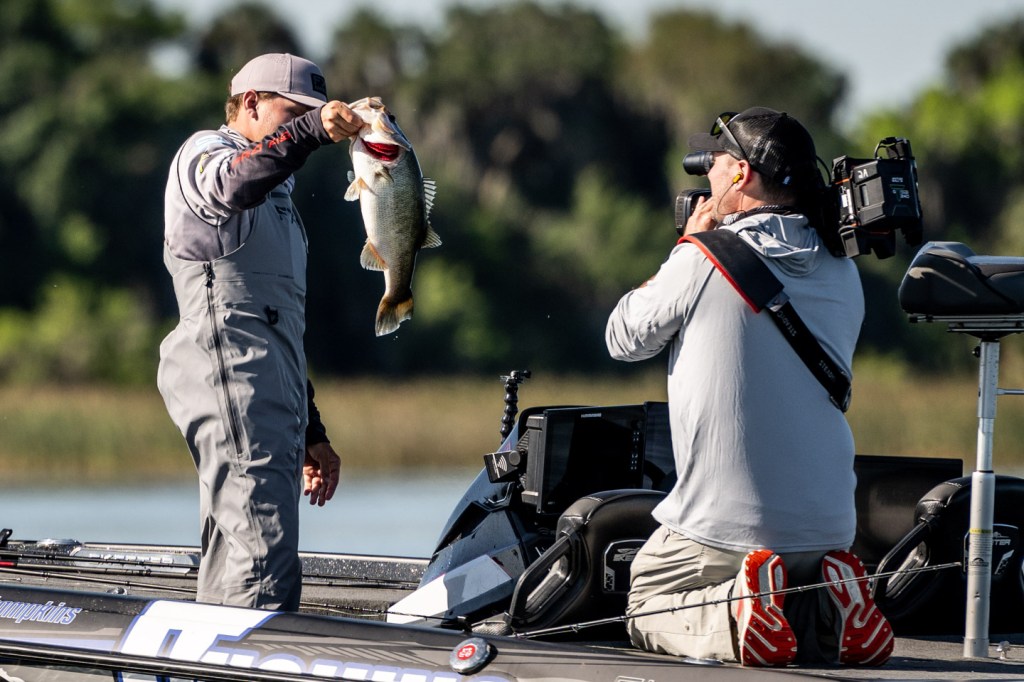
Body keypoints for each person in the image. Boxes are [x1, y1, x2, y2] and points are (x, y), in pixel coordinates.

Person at [605, 107, 893, 667]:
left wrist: (685, 246)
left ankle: (735, 613)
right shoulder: (843, 271)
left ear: (740, 174)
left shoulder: (700, 258)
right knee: (789, 600)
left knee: (645, 600)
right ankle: (832, 614)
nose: (706, 177)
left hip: (723, 529)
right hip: (829, 528)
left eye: (713, 165)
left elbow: (622, 338)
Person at [157, 53, 363, 611]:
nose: (305, 128)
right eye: (294, 113)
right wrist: (311, 131)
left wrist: (311, 431)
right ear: (250, 103)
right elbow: (234, 182)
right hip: (226, 374)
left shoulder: (282, 201)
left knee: (239, 548)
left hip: (270, 389)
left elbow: (279, 327)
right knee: (262, 551)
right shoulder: (206, 153)